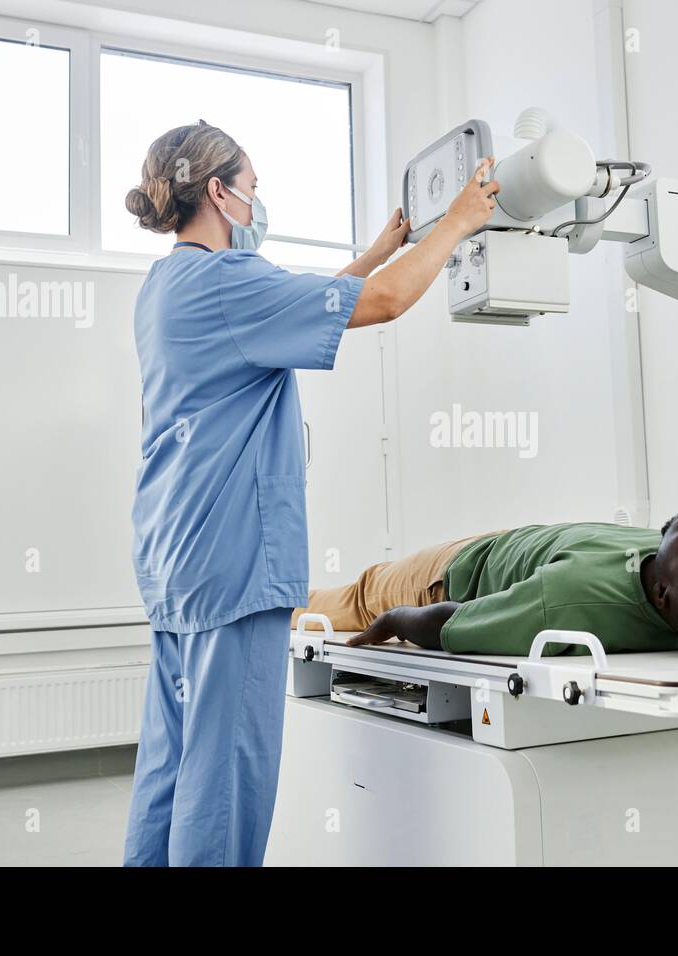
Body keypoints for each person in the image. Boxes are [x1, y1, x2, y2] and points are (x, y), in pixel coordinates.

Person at [121, 120, 499, 867]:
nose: (260, 205)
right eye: (254, 190)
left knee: (171, 766)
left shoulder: (167, 284)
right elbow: (384, 305)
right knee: (226, 775)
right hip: (232, 567)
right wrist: (458, 222)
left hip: (174, 563)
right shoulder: (231, 284)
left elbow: (314, 300)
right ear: (221, 193)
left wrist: (384, 248)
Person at [292, 510, 678, 658]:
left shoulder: (566, 601)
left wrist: (392, 619)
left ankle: (257, 605)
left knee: (356, 595)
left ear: (661, 597)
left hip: (448, 577)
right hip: (508, 545)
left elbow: (453, 625)